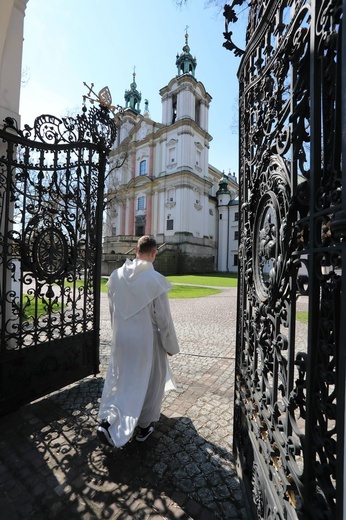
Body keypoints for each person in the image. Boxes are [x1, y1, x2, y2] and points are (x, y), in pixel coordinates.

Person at [97, 235, 180, 447]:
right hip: (147, 340)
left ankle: (108, 421)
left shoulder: (115, 276)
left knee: (122, 379)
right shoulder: (154, 280)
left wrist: (118, 334)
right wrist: (170, 346)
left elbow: (112, 310)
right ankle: (144, 426)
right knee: (152, 381)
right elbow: (164, 319)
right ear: (154, 253)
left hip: (122, 338)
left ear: (136, 251)